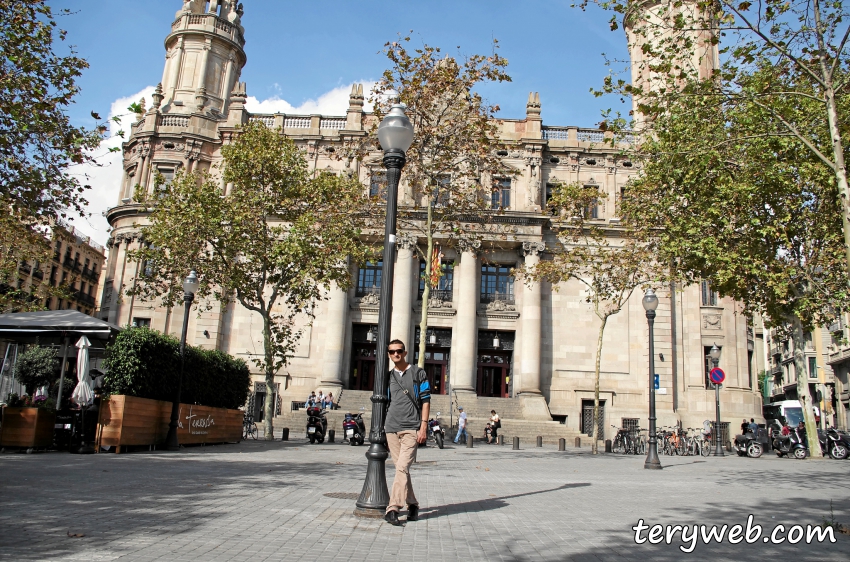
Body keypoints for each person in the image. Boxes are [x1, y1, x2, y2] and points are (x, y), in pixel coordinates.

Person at [383, 339, 431, 526]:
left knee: (402, 467)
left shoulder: (418, 373)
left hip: (411, 427)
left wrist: (423, 426)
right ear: (389, 354)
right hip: (392, 427)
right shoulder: (388, 376)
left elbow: (425, 400)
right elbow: (386, 401)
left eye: (399, 351)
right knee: (401, 470)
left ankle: (393, 508)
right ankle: (413, 505)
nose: (396, 354)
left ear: (405, 352)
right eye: (392, 351)